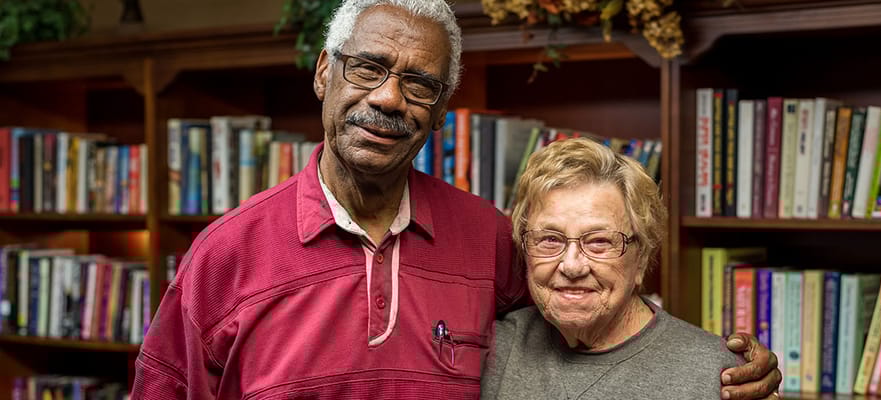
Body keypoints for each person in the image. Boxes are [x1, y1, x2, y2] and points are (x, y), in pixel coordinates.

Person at [131, 1, 780, 399]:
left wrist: (710, 370)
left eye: (419, 84)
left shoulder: (488, 239)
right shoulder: (226, 254)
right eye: (368, 67)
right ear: (324, 71)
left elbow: (589, 309)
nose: (388, 98)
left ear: (440, 109)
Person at [481, 138, 756, 399]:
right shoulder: (492, 349)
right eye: (550, 239)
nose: (572, 265)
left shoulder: (720, 375)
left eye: (599, 241)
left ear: (642, 257)